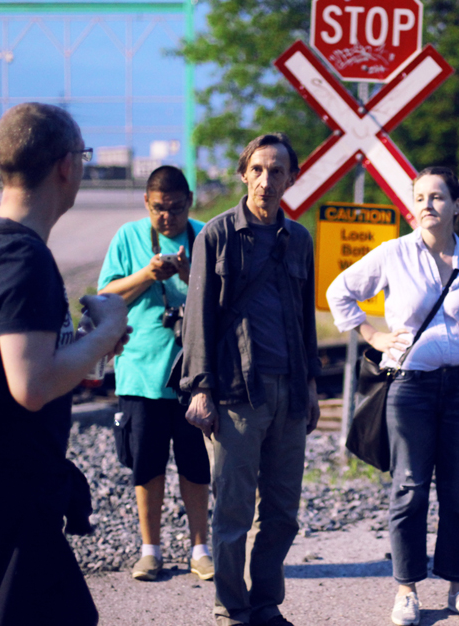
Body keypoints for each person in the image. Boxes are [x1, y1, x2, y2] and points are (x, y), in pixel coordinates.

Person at [0, 102, 130, 626]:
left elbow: (5, 365)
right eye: (82, 156)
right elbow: (30, 384)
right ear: (66, 165)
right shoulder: (20, 255)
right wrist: (105, 333)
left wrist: (79, 346)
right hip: (2, 519)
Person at [327, 166, 459, 626]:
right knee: (409, 488)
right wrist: (373, 336)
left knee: (458, 492)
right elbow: (340, 292)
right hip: (409, 387)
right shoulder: (393, 254)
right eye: (419, 197)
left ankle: (457, 588)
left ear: (456, 205)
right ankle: (406, 589)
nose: (426, 205)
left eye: (436, 197)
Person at [181, 133, 321, 626]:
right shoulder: (216, 235)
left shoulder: (299, 239)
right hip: (237, 393)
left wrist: (310, 387)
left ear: (291, 178)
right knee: (234, 513)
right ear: (243, 174)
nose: (266, 180)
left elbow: (306, 319)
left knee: (283, 513)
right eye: (257, 169)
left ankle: (265, 602)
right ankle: (230, 608)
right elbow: (196, 316)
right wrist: (199, 387)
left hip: (289, 393)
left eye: (276, 171)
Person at [98, 165, 212, 582]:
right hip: (140, 373)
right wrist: (148, 274)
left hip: (195, 374)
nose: (168, 219)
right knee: (146, 465)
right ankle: (151, 550)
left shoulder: (205, 236)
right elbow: (104, 297)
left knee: (196, 464)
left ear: (190, 202)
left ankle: (201, 548)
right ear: (147, 203)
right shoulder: (128, 237)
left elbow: (224, 298)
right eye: (160, 210)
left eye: (177, 210)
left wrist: (187, 275)